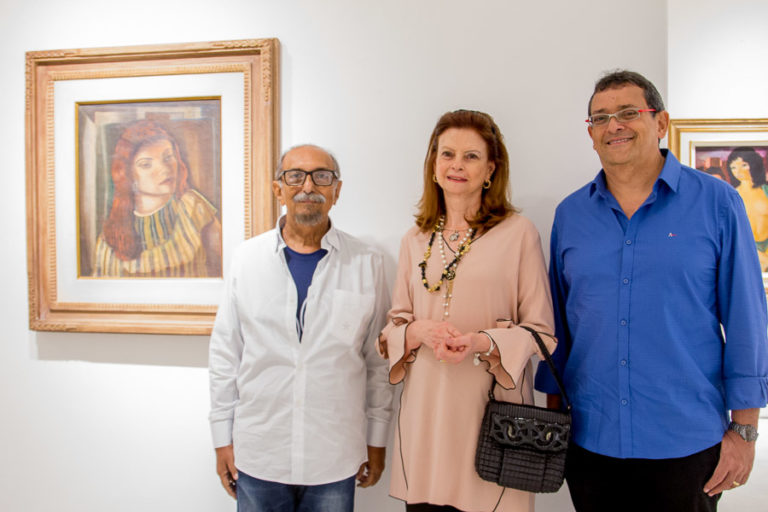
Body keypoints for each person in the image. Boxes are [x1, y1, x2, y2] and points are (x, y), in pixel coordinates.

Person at [536, 70, 768, 512]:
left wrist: (745, 431)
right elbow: (558, 329)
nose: (613, 125)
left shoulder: (718, 204)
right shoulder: (570, 215)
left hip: (687, 445)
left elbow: (746, 321)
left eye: (628, 112)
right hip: (590, 442)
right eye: (600, 118)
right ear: (591, 134)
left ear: (660, 123)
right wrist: (555, 423)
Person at [379, 109, 556, 512]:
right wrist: (417, 333)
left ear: (491, 168)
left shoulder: (518, 233)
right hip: (425, 414)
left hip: (493, 418)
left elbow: (543, 334)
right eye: (447, 154)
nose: (457, 165)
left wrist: (481, 341)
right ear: (434, 165)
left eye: (472, 156)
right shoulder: (415, 239)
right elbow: (393, 327)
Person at [208, 144, 393, 512]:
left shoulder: (366, 264)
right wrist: (221, 438)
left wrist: (377, 439)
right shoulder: (247, 259)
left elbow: (378, 363)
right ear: (279, 189)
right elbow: (226, 354)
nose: (308, 186)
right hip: (259, 452)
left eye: (321, 176)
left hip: (335, 458)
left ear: (336, 191)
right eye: (295, 176)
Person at [93, 119, 221, 277]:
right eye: (146, 164)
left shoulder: (193, 207)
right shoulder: (110, 237)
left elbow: (230, 260)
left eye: (168, 157)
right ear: (127, 174)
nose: (164, 169)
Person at [726, 146, 768, 270]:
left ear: (754, 164)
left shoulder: (765, 191)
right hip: (745, 250)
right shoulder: (730, 196)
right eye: (734, 167)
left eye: (744, 165)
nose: (738, 171)